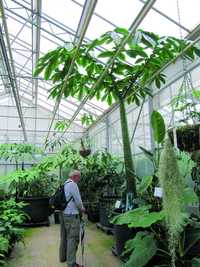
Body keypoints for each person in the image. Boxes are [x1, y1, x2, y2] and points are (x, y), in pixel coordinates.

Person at [59, 169, 85, 267]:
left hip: (64, 214)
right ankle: (71, 263)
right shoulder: (73, 184)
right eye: (79, 177)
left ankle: (63, 257)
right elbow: (78, 202)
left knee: (64, 236)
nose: (80, 179)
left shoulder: (65, 183)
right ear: (75, 176)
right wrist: (82, 209)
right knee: (72, 238)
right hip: (71, 215)